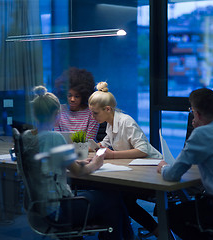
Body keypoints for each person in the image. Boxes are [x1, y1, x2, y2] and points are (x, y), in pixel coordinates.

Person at [22, 85, 133, 240]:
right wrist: (95, 163)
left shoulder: (26, 137)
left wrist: (75, 161)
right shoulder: (54, 138)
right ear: (57, 114)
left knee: (109, 201)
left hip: (36, 209)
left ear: (33, 113)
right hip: (56, 210)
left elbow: (47, 163)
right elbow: (78, 172)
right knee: (113, 198)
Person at [157, 88, 213, 240]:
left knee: (169, 216)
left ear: (197, 113)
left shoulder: (201, 133)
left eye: (192, 110)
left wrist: (164, 167)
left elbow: (172, 175)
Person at [88, 81, 162, 237]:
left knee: (120, 200)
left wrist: (112, 155)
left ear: (107, 109)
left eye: (95, 113)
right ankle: (128, 233)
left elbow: (142, 150)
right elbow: (106, 143)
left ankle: (157, 230)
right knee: (116, 197)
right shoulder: (110, 122)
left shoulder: (126, 122)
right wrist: (90, 147)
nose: (93, 117)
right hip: (135, 170)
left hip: (151, 170)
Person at [54, 67, 99, 140]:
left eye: (77, 96)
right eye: (69, 95)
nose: (72, 99)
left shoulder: (91, 113)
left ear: (83, 96)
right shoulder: (58, 111)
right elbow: (57, 139)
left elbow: (90, 140)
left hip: (86, 150)